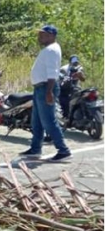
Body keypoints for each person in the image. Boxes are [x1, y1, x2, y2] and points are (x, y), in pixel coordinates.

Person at [20, 24, 71, 161]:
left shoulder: (51, 50)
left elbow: (52, 73)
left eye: (43, 34)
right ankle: (35, 149)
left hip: (45, 88)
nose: (40, 37)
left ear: (51, 35)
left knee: (48, 121)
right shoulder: (49, 49)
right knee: (36, 121)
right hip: (40, 88)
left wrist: (49, 91)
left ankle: (63, 150)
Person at [58, 55, 86, 120]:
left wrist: (80, 75)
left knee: (81, 100)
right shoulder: (64, 69)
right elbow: (60, 79)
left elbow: (83, 79)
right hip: (65, 89)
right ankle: (65, 117)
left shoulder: (80, 68)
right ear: (70, 62)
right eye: (74, 62)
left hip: (76, 88)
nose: (75, 63)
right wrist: (66, 78)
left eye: (76, 62)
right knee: (63, 102)